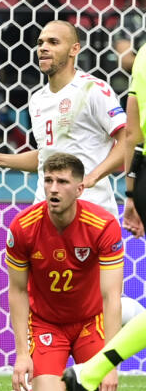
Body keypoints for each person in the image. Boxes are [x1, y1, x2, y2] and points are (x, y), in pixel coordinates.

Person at [0, 21, 127, 215]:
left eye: (53, 42)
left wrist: (93, 176)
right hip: (46, 211)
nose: (43, 48)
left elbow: (126, 140)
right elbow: (45, 155)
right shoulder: (37, 100)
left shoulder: (93, 89)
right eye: (40, 43)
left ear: (74, 49)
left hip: (91, 210)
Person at [63, 44, 146, 391]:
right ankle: (92, 370)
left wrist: (131, 192)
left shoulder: (143, 55)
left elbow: (133, 132)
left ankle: (90, 371)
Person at [6, 152, 123, 391]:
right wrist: (21, 355)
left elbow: (112, 297)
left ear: (80, 189)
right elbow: (17, 291)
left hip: (92, 322)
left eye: (62, 182)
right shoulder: (23, 226)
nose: (53, 189)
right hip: (45, 324)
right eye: (48, 181)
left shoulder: (103, 225)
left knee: (102, 386)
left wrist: (111, 364)